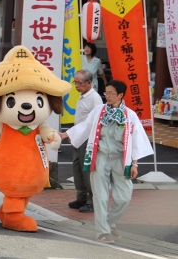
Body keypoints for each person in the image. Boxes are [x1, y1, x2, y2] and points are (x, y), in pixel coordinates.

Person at [60, 80, 154, 244]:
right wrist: (67, 134)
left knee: (124, 196)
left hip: (120, 159)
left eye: (111, 93)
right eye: (106, 93)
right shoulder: (99, 111)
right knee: (100, 197)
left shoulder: (130, 115)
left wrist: (135, 163)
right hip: (100, 157)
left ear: (120, 95)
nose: (107, 96)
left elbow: (136, 140)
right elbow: (85, 126)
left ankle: (110, 222)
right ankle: (103, 232)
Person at [68, 69, 103, 213]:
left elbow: (96, 121)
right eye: (75, 82)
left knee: (87, 170)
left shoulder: (94, 98)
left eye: (79, 83)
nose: (77, 85)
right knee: (77, 168)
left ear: (89, 83)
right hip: (79, 137)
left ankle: (92, 200)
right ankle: (81, 197)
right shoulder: (83, 96)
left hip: (88, 139)